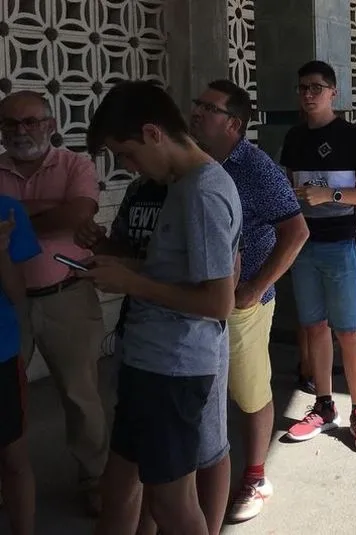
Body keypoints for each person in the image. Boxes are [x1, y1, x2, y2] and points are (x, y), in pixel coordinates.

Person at [84, 80, 242, 535]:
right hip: (145, 359)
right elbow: (177, 273)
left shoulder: (202, 192)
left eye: (127, 153)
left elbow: (217, 302)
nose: (128, 166)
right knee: (119, 491)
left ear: (154, 133)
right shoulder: (179, 185)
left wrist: (130, 280)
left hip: (172, 369)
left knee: (172, 506)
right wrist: (120, 263)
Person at [189, 80, 310, 522]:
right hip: (199, 299)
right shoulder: (192, 162)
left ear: (233, 123)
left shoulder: (256, 167)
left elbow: (296, 232)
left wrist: (254, 289)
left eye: (209, 107)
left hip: (244, 306)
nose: (197, 112)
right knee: (204, 389)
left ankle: (257, 475)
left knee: (249, 390)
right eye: (197, 104)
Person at [0, 90, 107, 514]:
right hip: (7, 308)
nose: (20, 131)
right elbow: (63, 215)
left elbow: (77, 215)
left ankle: (96, 479)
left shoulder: (75, 164)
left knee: (81, 396)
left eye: (30, 122)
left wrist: (14, 218)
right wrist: (50, 209)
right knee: (5, 398)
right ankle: (9, 478)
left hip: (67, 295)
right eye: (10, 124)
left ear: (51, 124)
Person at [283, 61, 356, 452]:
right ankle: (324, 406)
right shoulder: (293, 137)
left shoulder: (351, 136)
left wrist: (332, 195)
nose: (309, 94)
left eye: (317, 88)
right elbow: (287, 185)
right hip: (302, 245)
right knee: (313, 327)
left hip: (340, 244)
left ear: (333, 93)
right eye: (303, 87)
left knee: (349, 330)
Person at [0, 196, 40, 535]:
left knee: (13, 458)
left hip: (1, 354)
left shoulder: (7, 210)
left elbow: (17, 293)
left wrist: (0, 251)